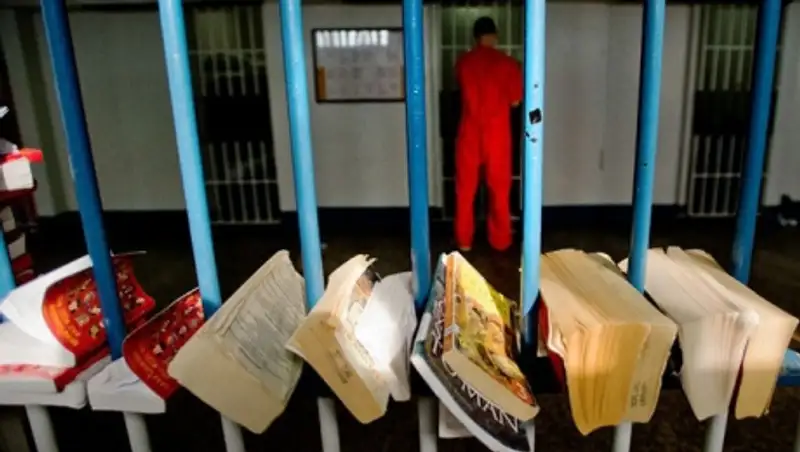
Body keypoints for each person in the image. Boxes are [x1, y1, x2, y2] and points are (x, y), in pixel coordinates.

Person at [454, 16, 523, 252]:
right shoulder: (508, 64)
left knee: (465, 191)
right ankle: (501, 240)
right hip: (497, 133)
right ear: (494, 35)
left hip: (469, 131)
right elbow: (515, 101)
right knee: (499, 190)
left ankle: (464, 240)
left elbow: (461, 89)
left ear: (475, 37)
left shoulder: (463, 63)